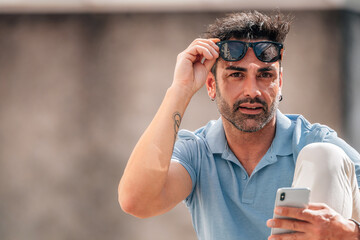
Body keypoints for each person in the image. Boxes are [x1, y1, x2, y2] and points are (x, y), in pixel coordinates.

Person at [118, 11, 360, 240]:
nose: (252, 91)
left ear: (280, 83)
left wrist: (350, 232)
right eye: (236, 75)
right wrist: (180, 90)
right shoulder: (198, 153)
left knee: (324, 156)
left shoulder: (311, 139)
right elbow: (136, 201)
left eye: (265, 75)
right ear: (211, 85)